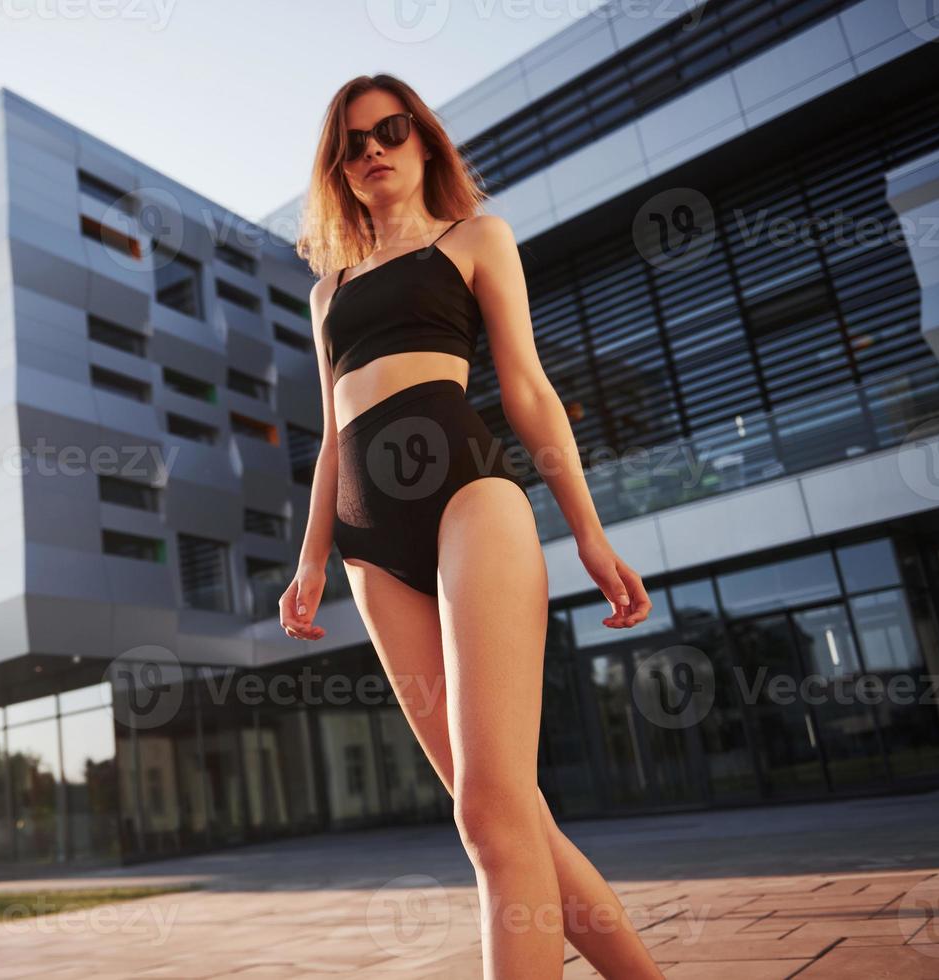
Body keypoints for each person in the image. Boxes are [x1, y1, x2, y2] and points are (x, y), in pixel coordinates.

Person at [280, 74, 664, 979]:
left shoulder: (475, 239)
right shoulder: (326, 292)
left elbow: (528, 391)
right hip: (369, 546)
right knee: (507, 815)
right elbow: (333, 433)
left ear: (424, 143)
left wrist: (590, 534)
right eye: (351, 142)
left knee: (488, 812)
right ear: (337, 168)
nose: (371, 149)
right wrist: (310, 562)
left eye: (390, 130)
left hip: (469, 498)